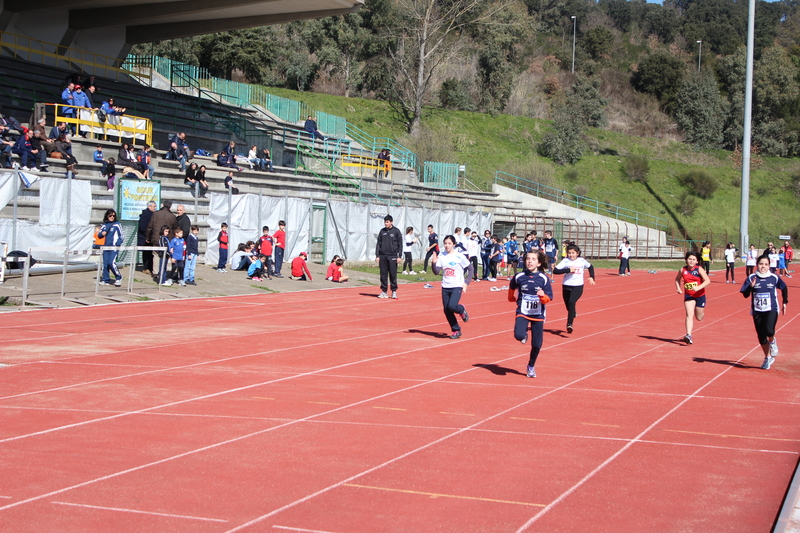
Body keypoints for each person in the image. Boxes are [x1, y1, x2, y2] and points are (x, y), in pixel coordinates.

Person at [508, 250, 553, 378]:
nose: (529, 261)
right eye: (528, 258)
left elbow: (549, 298)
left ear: (539, 263)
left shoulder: (544, 279)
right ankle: (524, 334)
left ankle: (531, 366)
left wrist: (542, 296)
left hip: (538, 314)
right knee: (518, 335)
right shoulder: (519, 277)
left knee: (537, 344)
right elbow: (512, 287)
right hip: (523, 311)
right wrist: (511, 298)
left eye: (533, 259)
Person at [740, 254, 789, 370]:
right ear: (757, 265)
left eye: (766, 264)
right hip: (757, 311)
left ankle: (772, 340)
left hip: (771, 308)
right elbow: (745, 295)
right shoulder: (752, 277)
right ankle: (768, 358)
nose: (763, 267)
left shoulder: (774, 277)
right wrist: (750, 287)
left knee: (769, 330)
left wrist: (785, 302)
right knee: (761, 336)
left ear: (769, 266)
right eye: (761, 264)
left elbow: (784, 287)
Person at [430, 234, 474, 339]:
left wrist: (466, 282)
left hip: (457, 285)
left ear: (454, 244)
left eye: (449, 243)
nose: (447, 245)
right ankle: (456, 330)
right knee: (446, 310)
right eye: (445, 243)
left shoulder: (459, 256)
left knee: (452, 306)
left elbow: (470, 268)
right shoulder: (441, 255)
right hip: (445, 286)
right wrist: (433, 263)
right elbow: (436, 272)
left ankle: (461, 309)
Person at [552, 244, 595, 334]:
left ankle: (569, 324)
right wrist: (568, 270)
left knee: (572, 302)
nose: (571, 255)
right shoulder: (565, 261)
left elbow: (590, 267)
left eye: (573, 253)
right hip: (566, 286)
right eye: (569, 253)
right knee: (568, 306)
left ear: (577, 253)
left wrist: (592, 277)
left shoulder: (581, 261)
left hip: (578, 286)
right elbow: (555, 271)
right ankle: (573, 313)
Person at [675, 251, 710, 345]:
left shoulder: (699, 269)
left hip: (700, 295)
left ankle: (701, 313)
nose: (691, 261)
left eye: (693, 259)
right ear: (686, 260)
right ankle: (688, 335)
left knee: (698, 317)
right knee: (689, 314)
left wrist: (698, 288)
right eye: (689, 259)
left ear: (697, 261)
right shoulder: (683, 270)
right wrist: (678, 288)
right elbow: (677, 279)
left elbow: (707, 281)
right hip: (689, 295)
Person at [375, 214, 403, 299]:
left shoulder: (396, 231)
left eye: (387, 222)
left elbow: (400, 244)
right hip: (383, 255)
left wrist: (399, 256)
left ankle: (394, 291)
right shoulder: (382, 231)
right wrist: (377, 255)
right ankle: (384, 291)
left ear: (391, 222)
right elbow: (378, 244)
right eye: (385, 222)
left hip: (392, 256)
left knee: (392, 274)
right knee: (383, 274)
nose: (386, 224)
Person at [97, 209, 123, 287]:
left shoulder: (117, 224)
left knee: (111, 263)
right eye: (110, 216)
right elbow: (99, 235)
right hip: (106, 247)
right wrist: (102, 233)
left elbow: (121, 236)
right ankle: (105, 279)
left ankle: (118, 277)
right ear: (107, 216)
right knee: (105, 264)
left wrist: (117, 244)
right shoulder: (104, 225)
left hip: (114, 247)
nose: (112, 217)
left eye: (114, 216)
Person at [137, 201, 156, 274]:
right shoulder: (146, 215)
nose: (155, 208)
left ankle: (149, 267)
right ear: (149, 206)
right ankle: (146, 267)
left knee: (149, 253)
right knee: (146, 253)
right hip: (145, 238)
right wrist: (148, 235)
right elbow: (143, 227)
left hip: (148, 237)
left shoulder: (151, 214)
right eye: (154, 206)